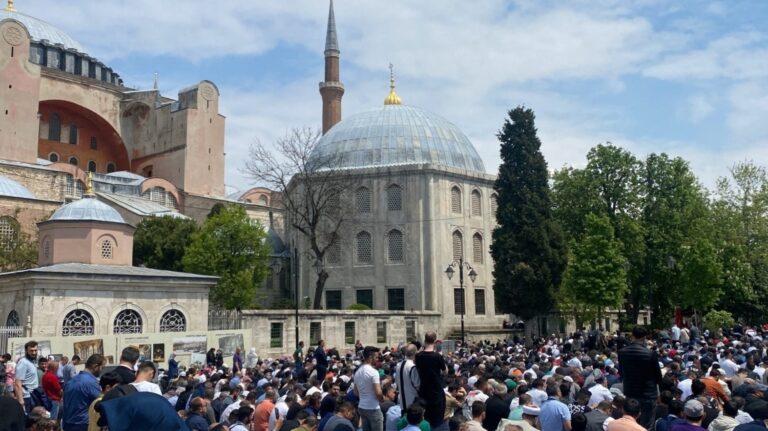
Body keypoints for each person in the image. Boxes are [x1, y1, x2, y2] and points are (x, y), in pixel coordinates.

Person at [617, 326, 662, 429]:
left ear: (632, 336)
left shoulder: (622, 352)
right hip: (648, 394)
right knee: (646, 426)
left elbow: (621, 373)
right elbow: (658, 377)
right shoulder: (650, 354)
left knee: (630, 424)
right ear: (645, 337)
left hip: (631, 392)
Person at [62, 354, 106, 431]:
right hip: (82, 424)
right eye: (102, 367)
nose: (102, 370)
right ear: (96, 367)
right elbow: (100, 403)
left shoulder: (70, 382)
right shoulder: (91, 383)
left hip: (67, 423)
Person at [415, 332, 448, 431]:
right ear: (435, 341)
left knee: (425, 418)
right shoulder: (437, 356)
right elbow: (445, 371)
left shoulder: (419, 356)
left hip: (424, 391)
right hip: (436, 392)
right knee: (437, 422)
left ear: (425, 340)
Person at [354, 346, 384, 431]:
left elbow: (356, 392)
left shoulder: (357, 372)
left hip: (362, 407)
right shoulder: (373, 372)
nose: (378, 359)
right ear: (370, 357)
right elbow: (378, 393)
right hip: (373, 408)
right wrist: (382, 399)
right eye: (376, 357)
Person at [14, 340, 39, 414]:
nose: (34, 353)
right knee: (26, 421)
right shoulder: (23, 362)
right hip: (26, 397)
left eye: (35, 350)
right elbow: (18, 383)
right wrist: (21, 401)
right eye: (31, 351)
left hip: (33, 395)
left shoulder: (31, 362)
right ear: (26, 351)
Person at [395, 344, 420, 411]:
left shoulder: (398, 365)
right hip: (413, 404)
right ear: (415, 353)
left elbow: (397, 382)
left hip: (402, 404)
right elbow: (418, 386)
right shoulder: (413, 367)